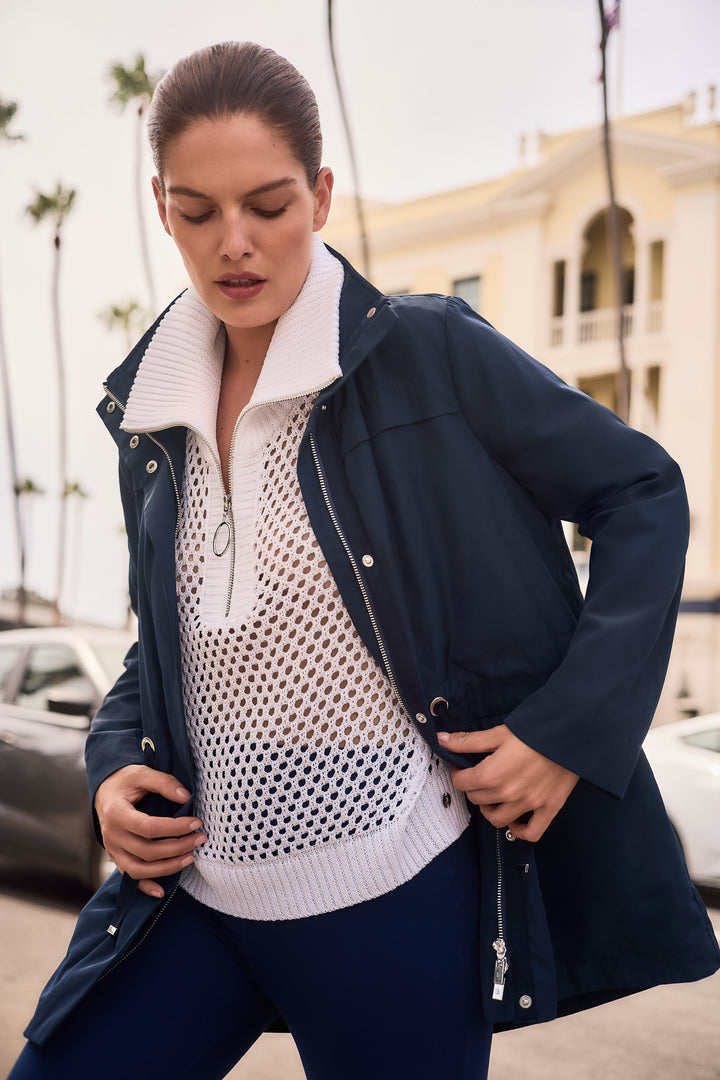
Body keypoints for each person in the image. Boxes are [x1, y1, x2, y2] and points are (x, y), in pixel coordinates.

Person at [10, 40, 719, 1080]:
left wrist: (567, 730)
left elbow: (643, 492)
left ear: (322, 195)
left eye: (268, 203)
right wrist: (114, 764)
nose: (234, 243)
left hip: (393, 883)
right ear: (162, 208)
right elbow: (168, 652)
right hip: (194, 891)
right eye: (198, 212)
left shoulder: (428, 353)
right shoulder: (150, 417)